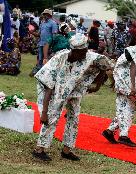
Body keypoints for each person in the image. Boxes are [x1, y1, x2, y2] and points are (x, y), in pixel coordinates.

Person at [32, 33, 111, 161]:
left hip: (75, 90)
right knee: (52, 116)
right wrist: (44, 112)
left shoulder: (90, 57)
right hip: (54, 89)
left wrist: (97, 86)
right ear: (73, 50)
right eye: (80, 52)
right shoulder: (59, 59)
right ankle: (40, 149)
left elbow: (104, 64)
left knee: (74, 118)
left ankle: (67, 150)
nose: (84, 55)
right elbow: (48, 87)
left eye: (85, 51)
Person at [29, 9, 58, 76]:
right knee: (39, 58)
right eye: (44, 14)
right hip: (41, 43)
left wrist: (52, 44)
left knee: (46, 59)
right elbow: (39, 34)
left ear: (49, 15)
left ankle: (45, 74)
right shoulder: (42, 23)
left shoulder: (53, 23)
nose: (44, 15)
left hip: (48, 45)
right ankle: (39, 72)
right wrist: (32, 33)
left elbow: (54, 35)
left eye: (45, 14)